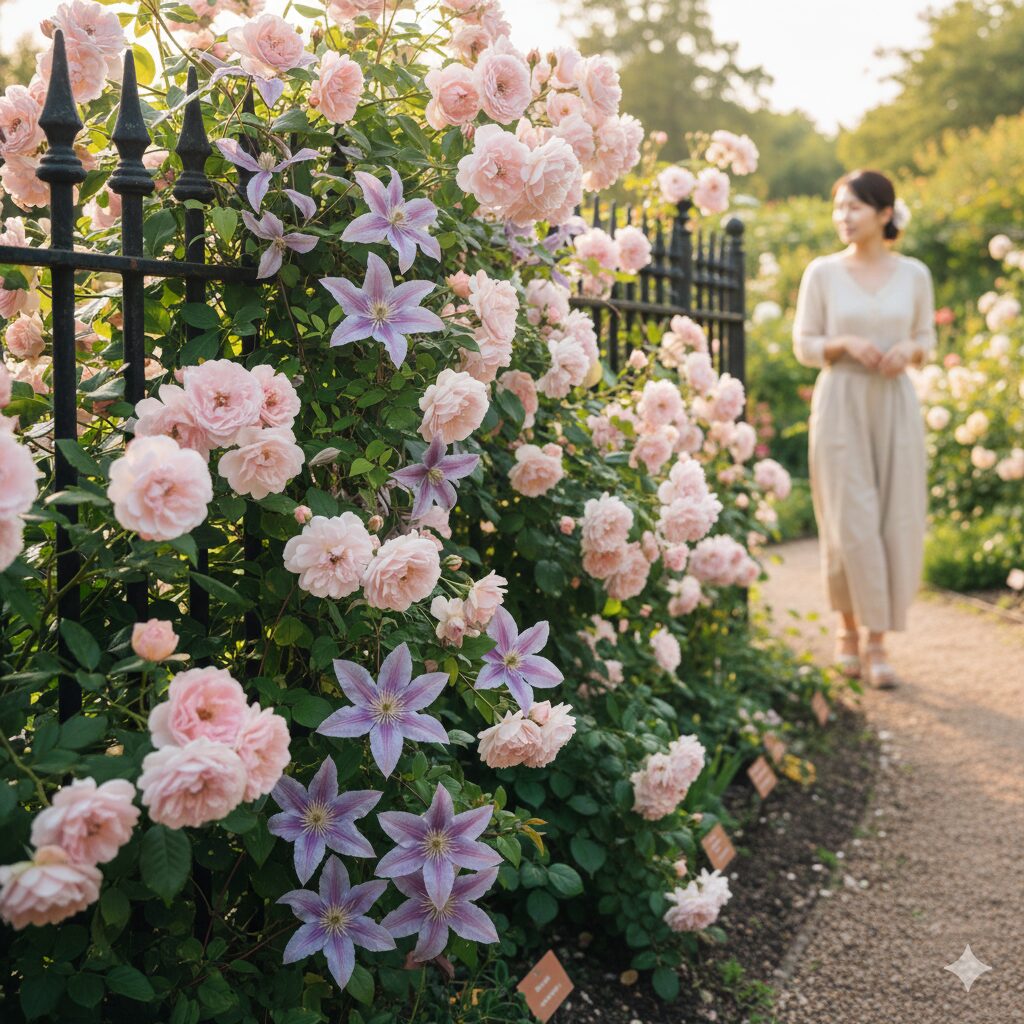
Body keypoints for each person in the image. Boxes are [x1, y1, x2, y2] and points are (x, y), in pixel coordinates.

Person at [791, 169, 937, 688]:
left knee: (897, 517)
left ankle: (879, 640)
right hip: (841, 403)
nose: (844, 217)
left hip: (895, 404)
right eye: (839, 207)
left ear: (884, 213)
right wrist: (845, 343)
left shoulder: (914, 274)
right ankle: (848, 631)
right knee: (849, 520)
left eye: (854, 206)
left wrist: (909, 350)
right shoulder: (822, 273)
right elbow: (804, 345)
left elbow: (927, 339)